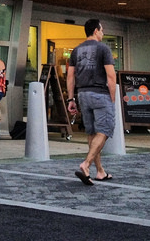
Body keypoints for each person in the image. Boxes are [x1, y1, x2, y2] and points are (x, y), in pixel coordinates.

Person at [66, 18, 117, 184]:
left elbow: (70, 76)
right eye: (102, 30)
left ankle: (100, 171)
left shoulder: (76, 50)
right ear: (96, 30)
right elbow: (111, 76)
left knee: (91, 133)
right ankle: (86, 164)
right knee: (104, 131)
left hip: (82, 95)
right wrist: (113, 98)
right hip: (100, 94)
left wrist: (71, 98)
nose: (103, 33)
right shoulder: (103, 49)